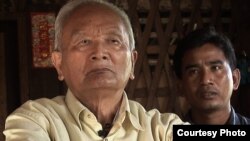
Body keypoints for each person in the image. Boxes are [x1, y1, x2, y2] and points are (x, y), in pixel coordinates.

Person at [4, 0, 187, 140]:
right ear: (59, 63)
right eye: (83, 42)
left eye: (114, 41)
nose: (99, 53)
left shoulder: (164, 127)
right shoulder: (34, 120)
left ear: (132, 61)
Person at [173, 26, 250, 125]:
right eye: (194, 71)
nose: (205, 80)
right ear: (180, 87)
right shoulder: (166, 137)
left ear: (235, 79)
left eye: (216, 68)